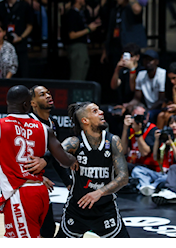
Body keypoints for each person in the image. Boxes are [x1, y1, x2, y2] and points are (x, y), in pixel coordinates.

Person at [0, 85, 76, 238]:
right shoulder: (44, 129)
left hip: (20, 194)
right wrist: (75, 150)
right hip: (40, 191)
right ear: (28, 104)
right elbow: (65, 160)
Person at [55, 102, 130, 238]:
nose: (101, 112)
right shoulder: (74, 142)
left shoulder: (113, 141)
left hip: (105, 208)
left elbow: (124, 177)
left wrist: (99, 192)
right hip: (77, 210)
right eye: (95, 111)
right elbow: (54, 155)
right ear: (85, 120)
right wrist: (68, 160)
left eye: (99, 109)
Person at [29, 85, 72, 238]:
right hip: (25, 183)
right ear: (33, 103)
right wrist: (37, 177)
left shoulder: (52, 123)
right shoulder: (28, 124)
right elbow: (18, 158)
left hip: (39, 182)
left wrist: (68, 182)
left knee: (48, 229)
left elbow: (55, 156)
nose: (48, 95)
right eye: (42, 94)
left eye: (48, 93)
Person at [132, 114, 176, 198]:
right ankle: (146, 187)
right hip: (163, 174)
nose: (173, 125)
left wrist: (172, 144)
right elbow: (155, 158)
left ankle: (152, 186)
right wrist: (157, 140)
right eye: (171, 123)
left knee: (168, 174)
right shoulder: (167, 140)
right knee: (137, 169)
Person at [0, 0, 33, 78]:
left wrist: (21, 38)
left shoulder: (25, 6)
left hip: (20, 45)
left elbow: (30, 25)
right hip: (3, 46)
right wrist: (2, 35)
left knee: (24, 74)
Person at [101, 0, 148, 69]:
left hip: (131, 48)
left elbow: (137, 9)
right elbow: (110, 30)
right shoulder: (116, 10)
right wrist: (105, 50)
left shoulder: (131, 8)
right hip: (117, 48)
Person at [66, 0, 101, 81]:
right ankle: (74, 94)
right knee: (77, 77)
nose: (85, 0)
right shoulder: (72, 14)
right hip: (77, 48)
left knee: (82, 75)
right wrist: (88, 30)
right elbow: (72, 35)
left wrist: (93, 25)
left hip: (83, 47)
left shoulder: (82, 13)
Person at [120, 103, 159, 176]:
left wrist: (138, 132)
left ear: (147, 116)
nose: (139, 120)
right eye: (136, 117)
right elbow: (123, 151)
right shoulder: (131, 129)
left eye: (141, 117)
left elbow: (145, 152)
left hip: (146, 168)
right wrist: (125, 129)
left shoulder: (153, 130)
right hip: (132, 163)